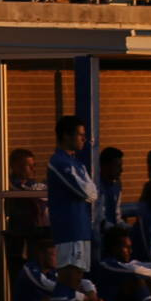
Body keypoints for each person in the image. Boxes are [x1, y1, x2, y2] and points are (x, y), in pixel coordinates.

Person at [46, 114, 98, 274]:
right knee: (69, 277)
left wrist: (88, 192)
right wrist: (88, 192)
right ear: (66, 136)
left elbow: (94, 193)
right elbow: (84, 191)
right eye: (80, 135)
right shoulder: (58, 162)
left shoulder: (78, 164)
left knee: (78, 278)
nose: (84, 139)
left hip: (81, 229)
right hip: (69, 230)